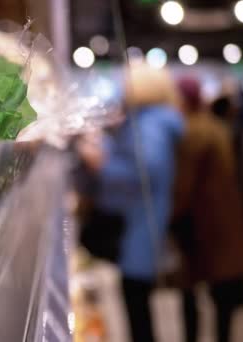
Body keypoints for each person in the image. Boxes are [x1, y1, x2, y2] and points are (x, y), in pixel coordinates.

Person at [94, 65, 184, 342]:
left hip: (140, 226)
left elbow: (145, 171)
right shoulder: (153, 121)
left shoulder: (148, 124)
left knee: (137, 306)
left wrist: (101, 162)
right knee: (138, 304)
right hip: (143, 222)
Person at [172, 77, 243, 342]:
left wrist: (171, 214)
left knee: (192, 294)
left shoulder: (192, 131)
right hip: (223, 222)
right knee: (222, 301)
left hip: (202, 226)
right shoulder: (215, 127)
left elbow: (185, 185)